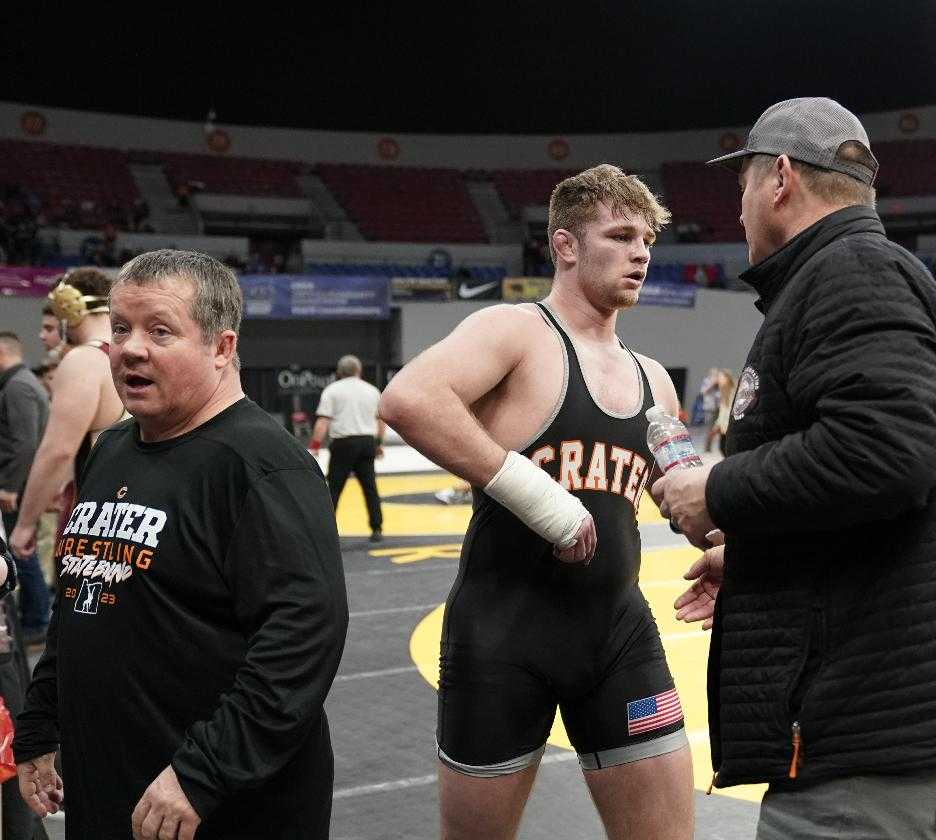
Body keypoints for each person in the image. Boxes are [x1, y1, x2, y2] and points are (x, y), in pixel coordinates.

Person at [652, 98, 936, 839]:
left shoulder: (850, 271)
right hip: (901, 727)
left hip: (897, 743)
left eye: (741, 184)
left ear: (779, 178)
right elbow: (881, 493)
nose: (735, 210)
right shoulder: (844, 272)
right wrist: (758, 555)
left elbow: (884, 453)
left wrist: (716, 490)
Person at [380, 164, 694, 840]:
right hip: (502, 638)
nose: (641, 253)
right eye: (620, 235)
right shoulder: (516, 332)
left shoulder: (655, 381)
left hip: (618, 636)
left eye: (647, 239)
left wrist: (729, 547)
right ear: (565, 246)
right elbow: (408, 399)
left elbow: (685, 496)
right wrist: (538, 498)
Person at [12, 249, 349, 840]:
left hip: (218, 806)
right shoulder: (112, 448)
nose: (131, 348)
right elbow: (80, 594)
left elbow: (301, 641)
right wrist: (42, 724)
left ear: (221, 348)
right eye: (120, 328)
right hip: (110, 792)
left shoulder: (264, 467)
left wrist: (202, 773)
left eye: (159, 330)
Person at [7, 269, 126, 589]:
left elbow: (58, 451)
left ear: (69, 308)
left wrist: (25, 524)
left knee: (75, 627)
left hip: (93, 517)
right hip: (131, 513)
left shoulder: (84, 360)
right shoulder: (130, 355)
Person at [0, 332, 53, 643]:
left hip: (15, 487)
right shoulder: (17, 383)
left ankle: (36, 618)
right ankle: (34, 616)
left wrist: (9, 487)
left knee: (20, 551)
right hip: (17, 483)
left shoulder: (18, 386)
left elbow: (24, 444)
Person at [309, 354, 385, 542]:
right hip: (367, 441)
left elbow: (323, 421)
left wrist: (314, 446)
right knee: (370, 487)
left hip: (343, 444)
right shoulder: (372, 391)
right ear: (359, 371)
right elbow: (381, 421)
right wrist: (378, 444)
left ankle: (326, 530)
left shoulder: (332, 391)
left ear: (339, 372)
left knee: (334, 487)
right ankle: (377, 528)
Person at [704, 369, 736, 454]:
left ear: (727, 379)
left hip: (730, 427)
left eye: (721, 378)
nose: (719, 380)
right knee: (722, 448)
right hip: (724, 427)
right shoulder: (723, 392)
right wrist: (718, 425)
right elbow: (723, 411)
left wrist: (721, 424)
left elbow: (730, 410)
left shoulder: (733, 391)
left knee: (726, 449)